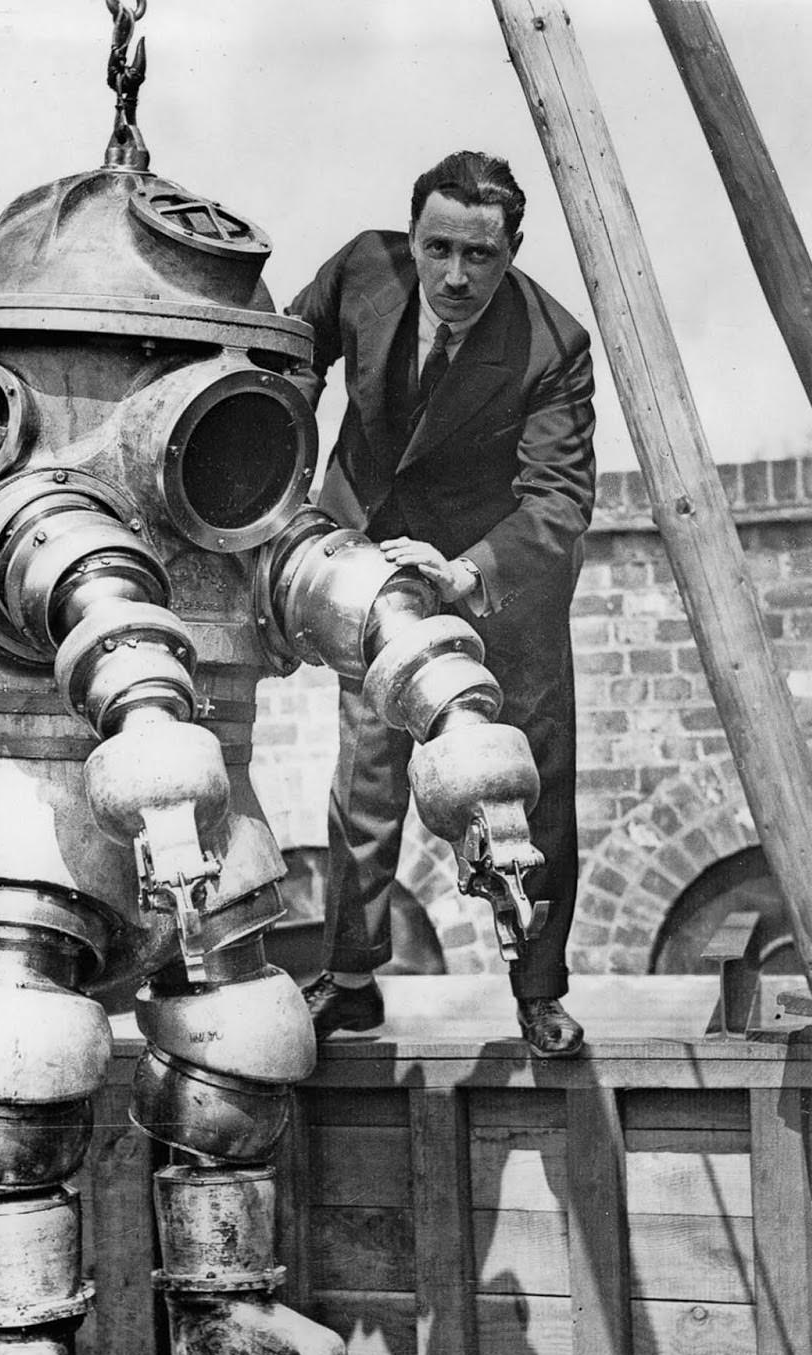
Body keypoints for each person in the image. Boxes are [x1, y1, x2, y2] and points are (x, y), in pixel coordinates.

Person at [286, 148, 595, 1056]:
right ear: (411, 237)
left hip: (497, 587)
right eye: (437, 249)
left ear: (511, 252)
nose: (455, 276)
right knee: (365, 778)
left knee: (527, 788)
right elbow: (279, 364)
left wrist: (465, 571)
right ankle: (347, 981)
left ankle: (536, 993)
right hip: (376, 564)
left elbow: (558, 503)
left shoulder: (553, 343)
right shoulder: (360, 271)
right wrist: (281, 474)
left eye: (480, 256)